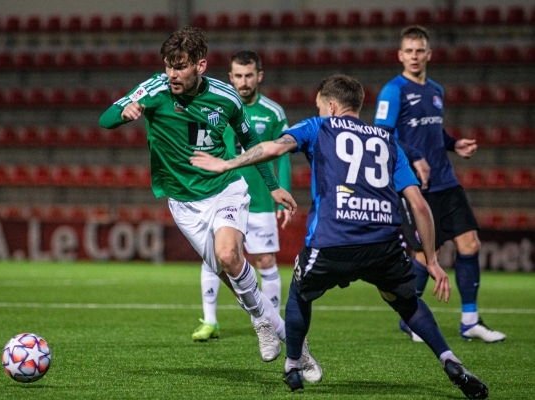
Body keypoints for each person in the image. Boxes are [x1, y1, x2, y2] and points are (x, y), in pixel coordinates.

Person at [191, 74, 489, 399]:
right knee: (407, 303)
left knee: (300, 295)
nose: (319, 112)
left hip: (332, 240)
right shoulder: (388, 141)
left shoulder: (320, 127)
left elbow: (273, 147)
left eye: (320, 107)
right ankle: (449, 358)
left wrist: (227, 164)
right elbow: (418, 204)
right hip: (383, 244)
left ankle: (292, 365)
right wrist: (431, 260)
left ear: (331, 106)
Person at [98, 27, 321, 379]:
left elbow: (251, 142)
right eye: (169, 66)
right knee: (231, 275)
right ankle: (287, 338)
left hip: (224, 189)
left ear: (200, 65)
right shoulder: (154, 89)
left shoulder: (225, 98)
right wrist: (124, 112)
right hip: (183, 203)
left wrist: (274, 186)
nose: (172, 74)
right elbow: (104, 119)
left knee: (230, 255)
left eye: (180, 67)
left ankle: (265, 326)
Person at [374, 25, 505, 343]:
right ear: (400, 55)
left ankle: (470, 321)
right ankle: (410, 318)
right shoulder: (394, 90)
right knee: (423, 255)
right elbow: (382, 133)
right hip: (414, 184)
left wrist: (454, 143)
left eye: (420, 51)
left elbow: (433, 133)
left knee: (470, 244)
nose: (415, 56)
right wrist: (416, 157)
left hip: (445, 180)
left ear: (429, 54)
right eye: (409, 51)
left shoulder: (435, 90)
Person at [192, 50, 293, 343]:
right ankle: (210, 321)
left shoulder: (273, 112)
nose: (243, 81)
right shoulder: (217, 105)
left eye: (249, 75)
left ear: (259, 76)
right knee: (212, 257)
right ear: (230, 77)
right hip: (221, 192)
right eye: (238, 75)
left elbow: (283, 156)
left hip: (260, 198)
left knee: (264, 260)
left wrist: (280, 194)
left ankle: (273, 319)